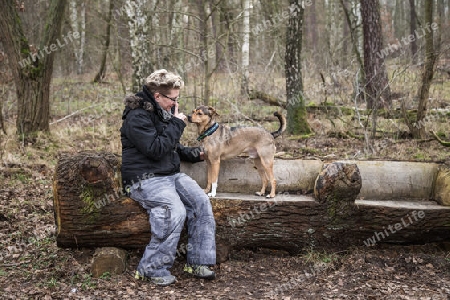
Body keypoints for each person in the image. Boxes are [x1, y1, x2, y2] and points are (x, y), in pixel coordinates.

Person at [120, 69, 216, 286]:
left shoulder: (160, 111)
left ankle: (198, 261)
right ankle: (151, 269)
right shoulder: (137, 116)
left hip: (169, 175)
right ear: (157, 96)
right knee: (173, 211)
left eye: (177, 98)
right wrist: (177, 123)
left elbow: (170, 145)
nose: (176, 104)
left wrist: (196, 154)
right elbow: (155, 149)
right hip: (144, 179)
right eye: (173, 99)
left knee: (201, 202)